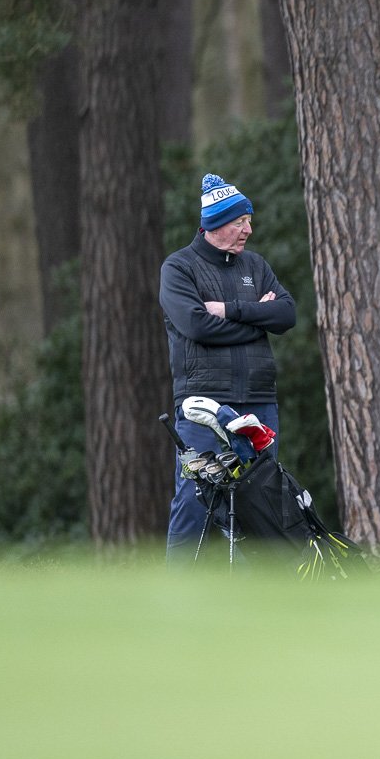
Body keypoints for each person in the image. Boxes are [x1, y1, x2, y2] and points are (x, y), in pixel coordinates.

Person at [160, 173, 296, 557]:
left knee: (264, 502)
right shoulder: (178, 268)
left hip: (259, 401)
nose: (248, 230)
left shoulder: (256, 266)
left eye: (248, 221)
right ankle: (179, 589)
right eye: (240, 222)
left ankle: (262, 589)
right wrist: (257, 320)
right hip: (203, 405)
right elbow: (197, 327)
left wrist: (231, 310)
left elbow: (286, 314)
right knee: (195, 500)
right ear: (215, 225)